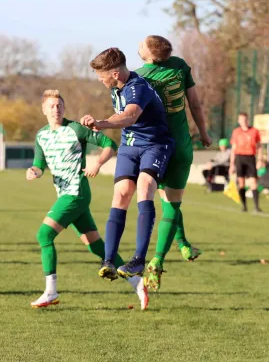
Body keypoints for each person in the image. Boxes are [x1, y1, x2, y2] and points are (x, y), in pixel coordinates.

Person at [27, 89, 148, 310]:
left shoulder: (76, 129)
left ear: (64, 108)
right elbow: (39, 162)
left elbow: (110, 144)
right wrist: (34, 171)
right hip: (65, 194)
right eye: (52, 106)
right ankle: (138, 282)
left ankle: (50, 291)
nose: (56, 109)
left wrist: (97, 163)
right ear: (44, 110)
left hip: (76, 193)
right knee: (96, 247)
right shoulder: (41, 135)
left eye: (59, 105)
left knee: (44, 234)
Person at [80, 47, 174, 280]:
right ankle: (109, 261)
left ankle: (138, 260)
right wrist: (100, 122)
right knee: (121, 194)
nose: (99, 79)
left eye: (101, 75)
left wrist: (102, 123)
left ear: (114, 73)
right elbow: (118, 117)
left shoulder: (138, 87)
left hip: (154, 145)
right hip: (129, 147)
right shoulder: (117, 86)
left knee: (144, 188)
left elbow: (130, 116)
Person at [136, 35, 212, 290]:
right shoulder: (179, 65)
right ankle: (174, 250)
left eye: (142, 44)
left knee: (166, 201)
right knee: (172, 202)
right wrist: (203, 133)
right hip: (181, 146)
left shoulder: (139, 76)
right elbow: (196, 105)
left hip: (156, 148)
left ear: (149, 55)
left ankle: (159, 256)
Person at [229, 112, 262, 212]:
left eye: (245, 119)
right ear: (239, 121)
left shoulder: (254, 131)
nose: (243, 121)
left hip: (251, 157)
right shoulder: (236, 132)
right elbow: (233, 148)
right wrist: (231, 164)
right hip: (239, 158)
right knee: (241, 182)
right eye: (241, 120)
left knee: (253, 182)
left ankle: (256, 206)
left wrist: (260, 159)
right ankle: (244, 206)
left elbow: (259, 146)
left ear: (248, 120)